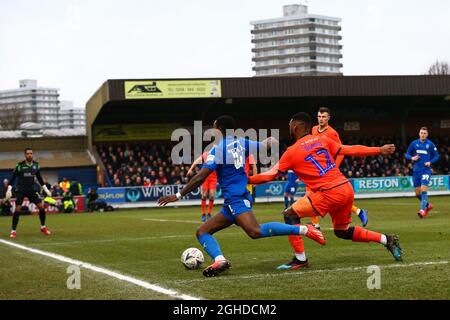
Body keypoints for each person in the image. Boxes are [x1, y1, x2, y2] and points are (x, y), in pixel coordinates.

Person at [158, 115, 325, 277]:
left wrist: (179, 195)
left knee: (254, 231)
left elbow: (201, 176)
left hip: (236, 198)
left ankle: (304, 229)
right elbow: (263, 145)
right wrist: (270, 142)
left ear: (218, 129)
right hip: (235, 199)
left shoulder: (217, 149)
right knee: (202, 231)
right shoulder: (243, 142)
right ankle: (220, 260)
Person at [248, 112, 403, 267]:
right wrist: (378, 150)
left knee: (290, 215)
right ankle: (387, 239)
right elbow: (350, 149)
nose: (288, 127)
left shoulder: (291, 151)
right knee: (342, 231)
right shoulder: (321, 139)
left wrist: (246, 180)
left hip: (329, 192)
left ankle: (300, 258)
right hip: (345, 187)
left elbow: (269, 175)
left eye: (289, 125)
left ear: (294, 127)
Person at [310, 107, 369, 230]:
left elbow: (341, 151)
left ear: (328, 118)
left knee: (326, 197)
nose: (321, 119)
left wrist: (334, 167)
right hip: (315, 168)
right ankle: (359, 212)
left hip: (327, 170)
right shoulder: (314, 129)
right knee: (313, 195)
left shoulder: (332, 133)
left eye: (323, 117)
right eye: (319, 117)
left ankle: (316, 226)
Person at [3, 148, 52, 238]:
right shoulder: (20, 165)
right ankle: (13, 231)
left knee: (41, 207)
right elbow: (13, 178)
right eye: (28, 153)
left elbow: (40, 178)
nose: (30, 155)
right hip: (20, 190)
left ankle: (43, 227)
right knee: (17, 209)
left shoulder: (36, 165)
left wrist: (46, 189)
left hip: (31, 190)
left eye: (31, 153)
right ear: (25, 155)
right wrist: (9, 189)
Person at [405, 127, 439, 218]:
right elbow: (406, 154)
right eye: (421, 133)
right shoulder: (414, 143)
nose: (423, 134)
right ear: (419, 134)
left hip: (426, 170)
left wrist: (430, 162)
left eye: (424, 133)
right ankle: (428, 205)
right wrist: (412, 158)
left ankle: (422, 210)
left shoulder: (430, 144)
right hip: (416, 171)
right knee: (417, 193)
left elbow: (436, 156)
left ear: (427, 135)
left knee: (424, 190)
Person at [187, 147, 218, 222]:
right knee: (204, 195)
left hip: (214, 178)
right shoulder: (205, 154)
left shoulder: (219, 156)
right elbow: (196, 162)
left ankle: (209, 213)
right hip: (205, 177)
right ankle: (203, 214)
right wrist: (190, 169)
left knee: (212, 195)